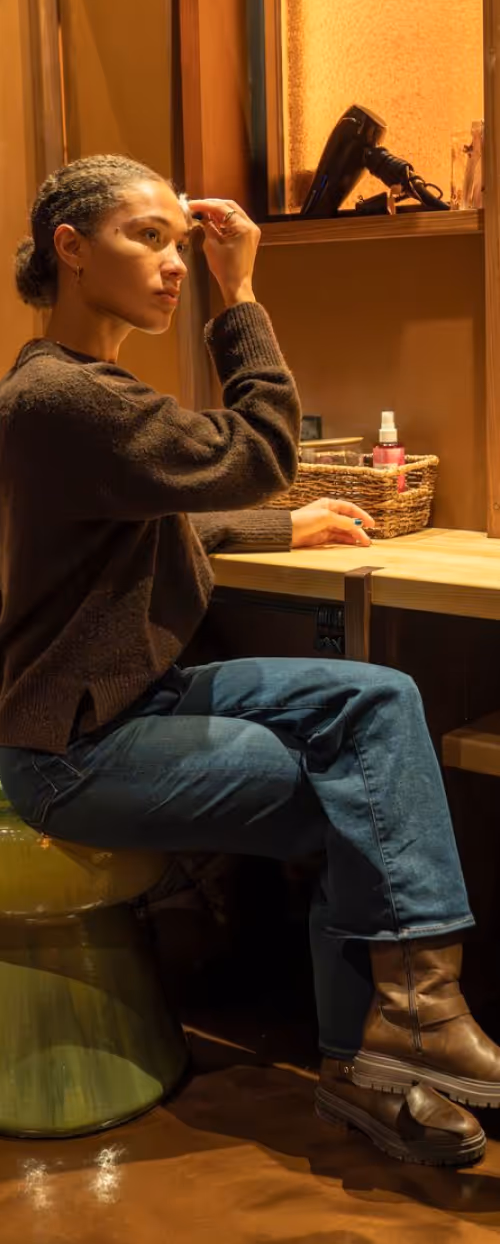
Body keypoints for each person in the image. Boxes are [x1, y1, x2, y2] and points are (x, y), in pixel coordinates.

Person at [0, 155, 499, 1170]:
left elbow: (147, 515)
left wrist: (275, 528)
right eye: (147, 237)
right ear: (70, 247)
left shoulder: (69, 390)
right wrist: (243, 294)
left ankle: (395, 1040)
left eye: (181, 245)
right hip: (74, 751)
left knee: (375, 702)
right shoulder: (61, 397)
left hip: (135, 700)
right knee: (358, 798)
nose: (174, 263)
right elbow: (259, 449)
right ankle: (380, 1061)